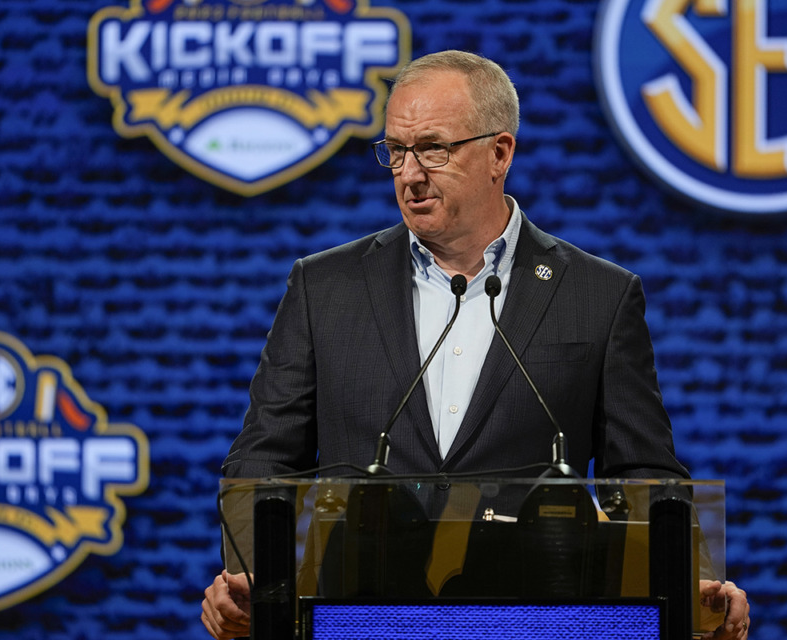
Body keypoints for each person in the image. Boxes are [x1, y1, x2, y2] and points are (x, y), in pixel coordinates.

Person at [201, 50, 750, 640]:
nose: (409, 174)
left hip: (535, 623)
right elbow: (261, 461)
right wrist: (251, 575)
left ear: (500, 153)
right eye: (396, 151)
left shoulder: (597, 296)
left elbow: (643, 472)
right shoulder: (324, 288)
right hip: (354, 620)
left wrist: (687, 579)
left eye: (434, 148)